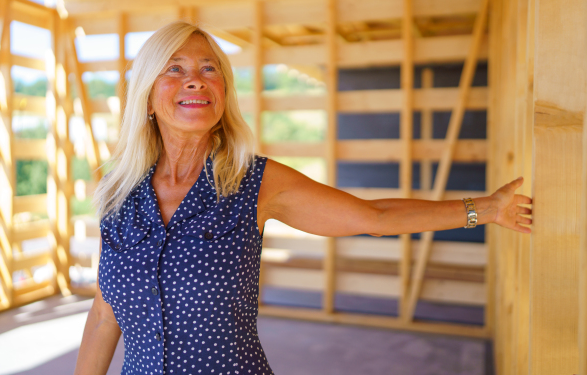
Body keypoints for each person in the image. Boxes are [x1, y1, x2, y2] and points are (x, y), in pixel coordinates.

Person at [74, 21, 533, 375]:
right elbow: (104, 311)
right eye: (174, 69)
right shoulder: (118, 193)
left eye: (208, 69)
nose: (195, 80)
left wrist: (485, 209)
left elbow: (372, 216)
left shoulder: (254, 183)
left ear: (223, 94)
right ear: (148, 98)